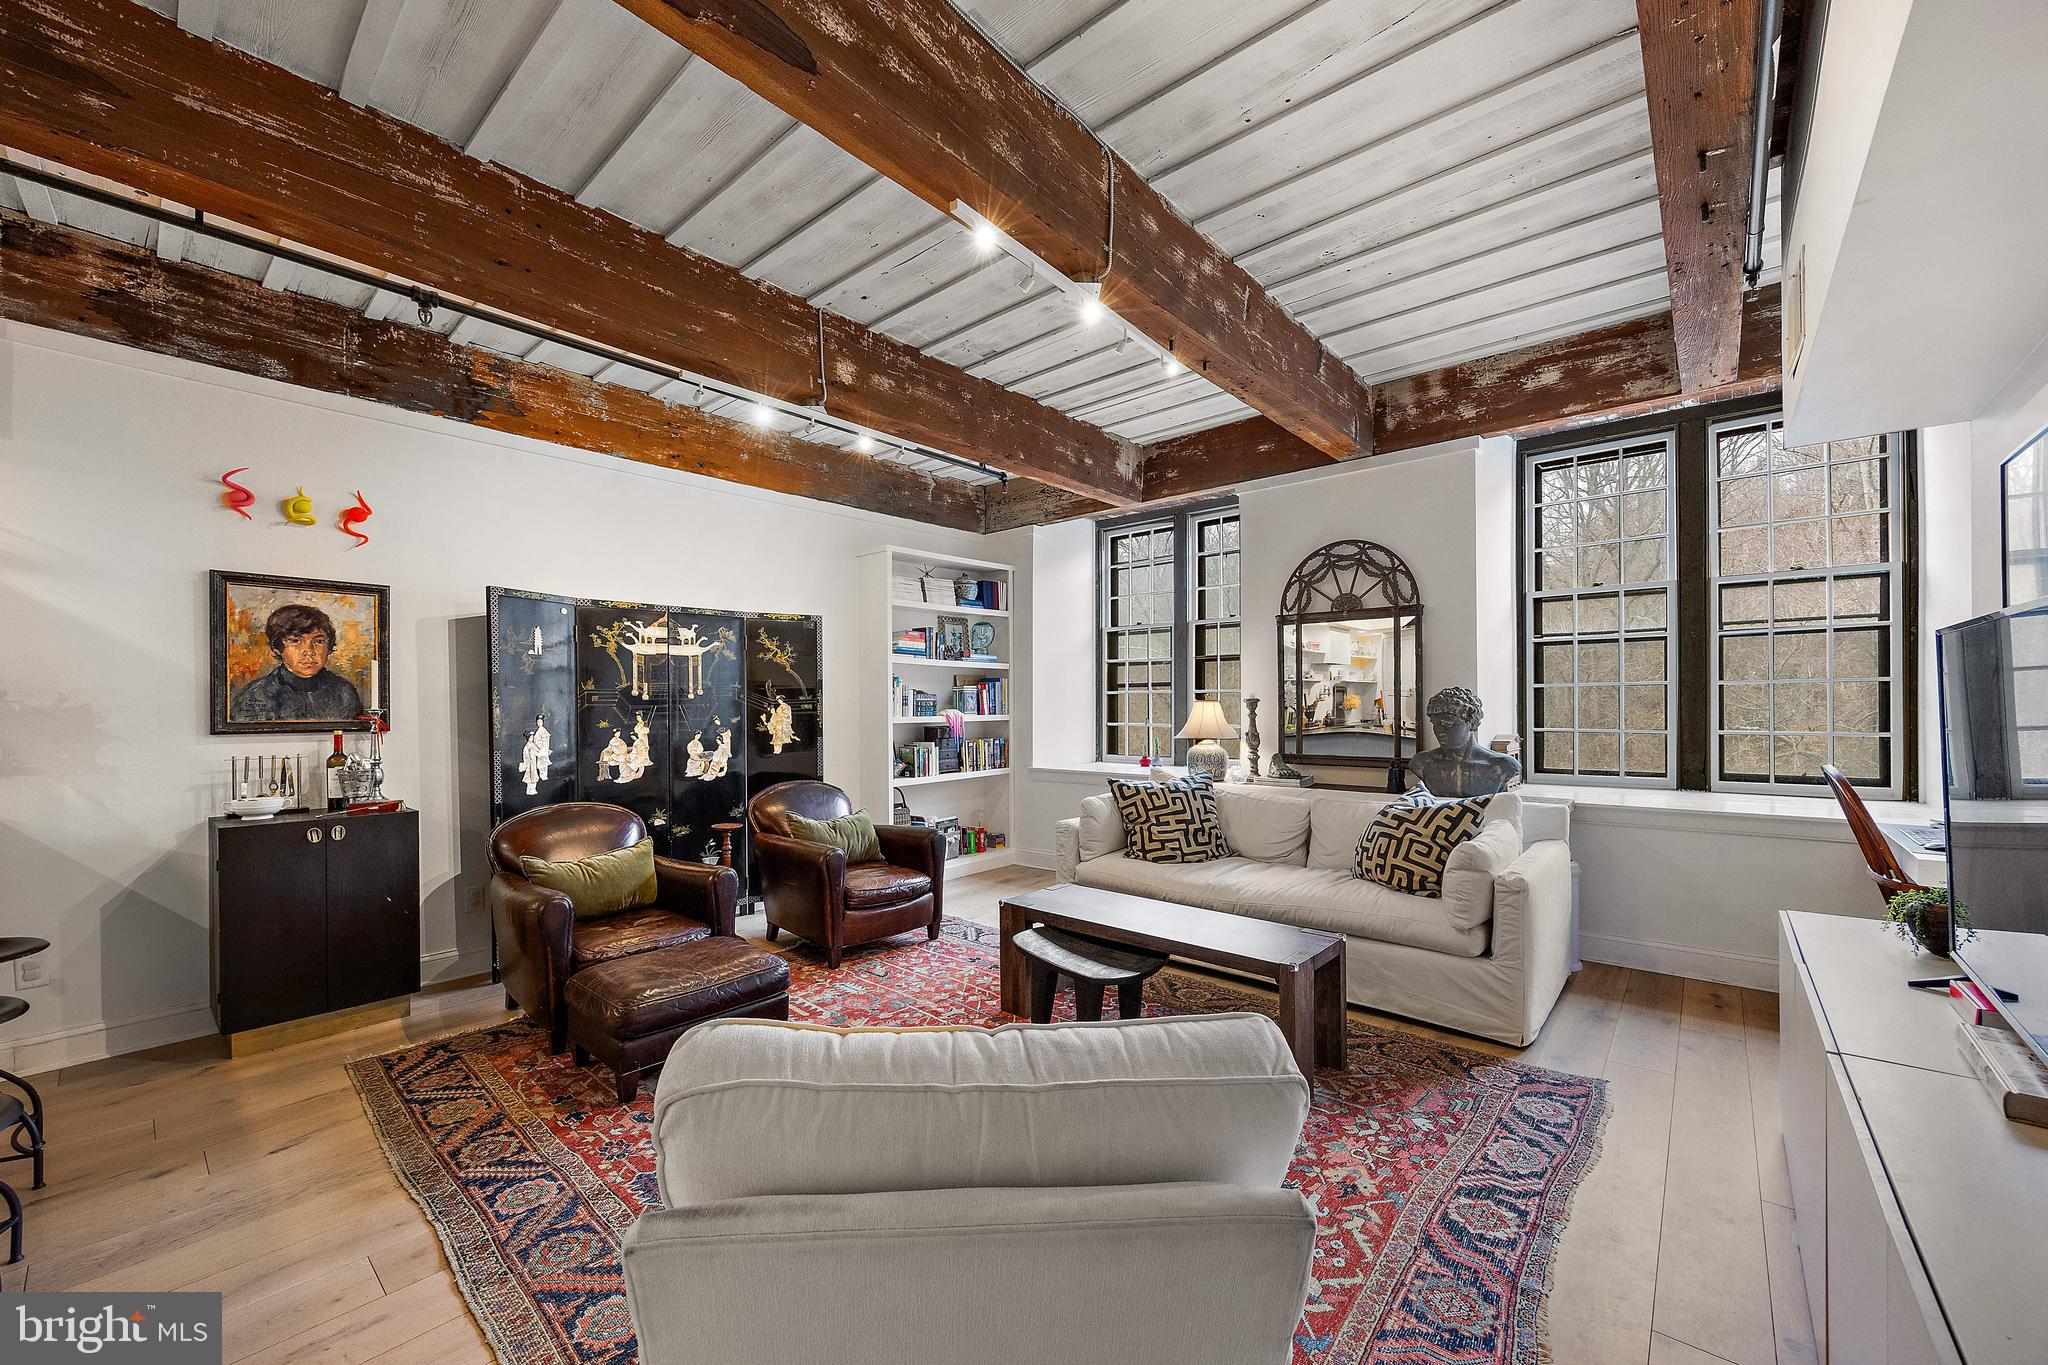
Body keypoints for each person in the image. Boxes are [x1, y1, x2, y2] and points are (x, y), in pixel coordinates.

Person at [231, 603, 365, 723]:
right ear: (277, 647)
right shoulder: (255, 695)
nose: (309, 651)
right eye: (295, 641)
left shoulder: (344, 691)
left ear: (329, 646)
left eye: (319, 641)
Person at [1404, 686, 1522, 796]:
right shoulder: (1423, 762)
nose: (1439, 731)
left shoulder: (1502, 765)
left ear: (1472, 723)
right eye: (1435, 724)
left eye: (1448, 724)